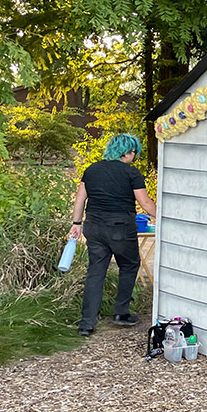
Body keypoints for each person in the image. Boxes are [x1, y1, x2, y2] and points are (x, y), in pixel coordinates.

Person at [68, 134, 157, 336]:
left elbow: (80, 199)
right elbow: (145, 203)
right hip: (120, 227)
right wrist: (163, 216)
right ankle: (121, 313)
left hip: (94, 227)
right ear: (126, 152)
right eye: (134, 152)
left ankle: (87, 324)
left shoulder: (91, 170)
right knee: (129, 264)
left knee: (96, 272)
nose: (134, 156)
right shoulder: (131, 173)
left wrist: (76, 224)